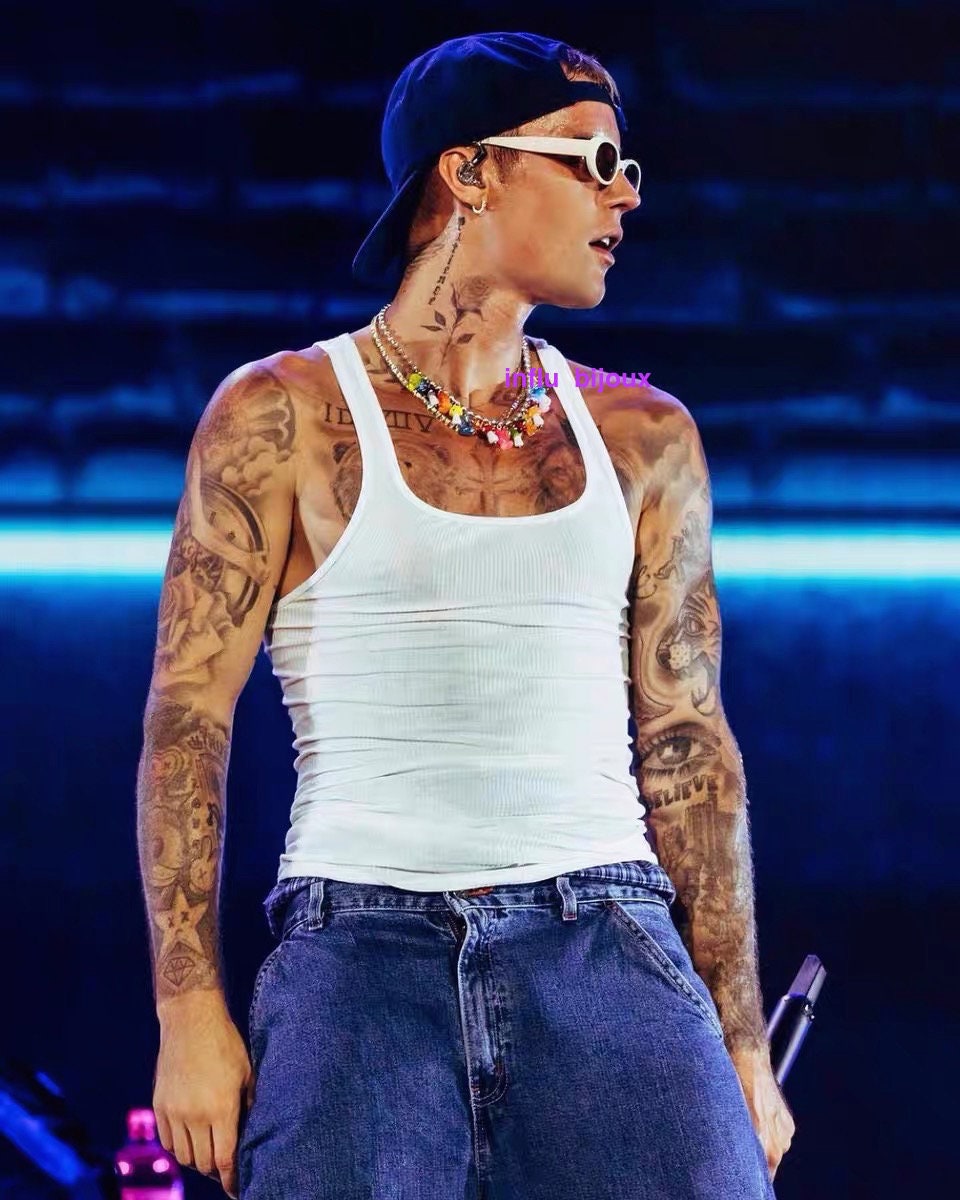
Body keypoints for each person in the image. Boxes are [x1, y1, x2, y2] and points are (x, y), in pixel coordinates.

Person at [136, 30, 795, 1200]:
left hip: (609, 937)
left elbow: (690, 745)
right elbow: (188, 719)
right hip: (357, 951)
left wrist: (740, 1037)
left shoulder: (645, 436)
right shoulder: (280, 413)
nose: (626, 198)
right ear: (471, 170)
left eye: (630, 169)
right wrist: (189, 1012)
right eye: (594, 161)